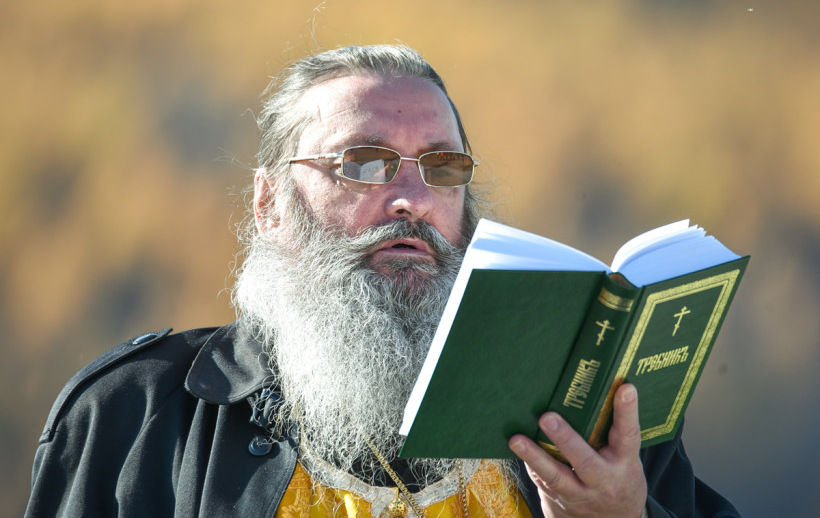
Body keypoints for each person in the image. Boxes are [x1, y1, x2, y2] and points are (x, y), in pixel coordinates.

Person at [26, 45, 740, 517]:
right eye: (363, 164)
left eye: (442, 167)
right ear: (270, 205)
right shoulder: (136, 416)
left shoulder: (593, 425)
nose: (412, 200)